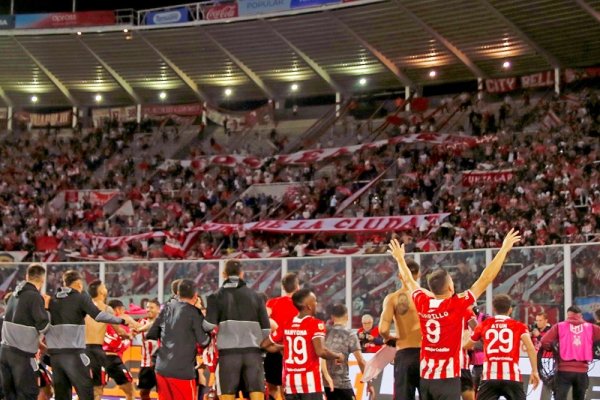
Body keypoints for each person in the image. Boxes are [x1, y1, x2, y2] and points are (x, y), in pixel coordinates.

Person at [388, 229, 520, 400]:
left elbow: (408, 280)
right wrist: (503, 250)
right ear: (450, 288)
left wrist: (399, 258)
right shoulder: (457, 304)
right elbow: (485, 278)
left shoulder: (423, 302)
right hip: (447, 378)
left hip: (426, 377)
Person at [46, 270, 127, 400]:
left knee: (61, 395)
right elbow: (98, 315)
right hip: (75, 353)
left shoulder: (52, 299)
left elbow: (43, 325)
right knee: (87, 393)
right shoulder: (80, 297)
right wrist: (121, 320)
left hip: (55, 356)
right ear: (78, 284)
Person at [261, 288, 344, 400]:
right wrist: (338, 355)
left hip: (290, 385)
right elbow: (321, 351)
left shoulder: (286, 324)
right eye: (314, 301)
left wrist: (286, 348)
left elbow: (264, 345)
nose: (316, 303)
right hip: (310, 386)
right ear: (309, 306)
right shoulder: (315, 324)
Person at [206, 260, 271, 400]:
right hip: (253, 355)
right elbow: (266, 330)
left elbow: (208, 326)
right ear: (242, 274)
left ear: (224, 274)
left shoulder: (215, 297)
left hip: (228, 356)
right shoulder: (257, 297)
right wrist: (262, 351)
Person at [465, 294, 540, 400]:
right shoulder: (519, 326)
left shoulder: (484, 325)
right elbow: (531, 348)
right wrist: (534, 371)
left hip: (490, 377)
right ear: (510, 309)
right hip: (512, 377)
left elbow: (468, 344)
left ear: (494, 309)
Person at [147, 279, 211, 400]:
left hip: (162, 369)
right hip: (182, 372)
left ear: (178, 293)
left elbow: (151, 334)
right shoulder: (194, 312)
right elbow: (204, 341)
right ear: (195, 295)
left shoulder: (167, 308)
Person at [0, 264, 50, 400]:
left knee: (10, 395)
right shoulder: (34, 297)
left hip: (4, 353)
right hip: (22, 357)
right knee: (27, 394)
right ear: (42, 279)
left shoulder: (13, 296)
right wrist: (46, 309)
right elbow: (43, 326)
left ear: (27, 276)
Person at [379, 258, 422, 400]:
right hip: (427, 354)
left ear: (399, 275)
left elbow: (383, 329)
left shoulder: (392, 298)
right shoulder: (428, 296)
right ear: (419, 274)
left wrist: (389, 338)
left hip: (404, 353)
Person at [85, 280, 135, 400]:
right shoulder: (106, 309)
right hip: (97, 351)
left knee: (87, 390)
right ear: (101, 291)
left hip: (82, 351)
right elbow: (120, 332)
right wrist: (130, 334)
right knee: (97, 391)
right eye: (104, 287)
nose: (106, 289)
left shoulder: (84, 307)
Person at [540, 305, 600, 400]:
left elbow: (544, 341)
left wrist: (551, 348)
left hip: (564, 370)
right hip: (582, 371)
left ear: (568, 314)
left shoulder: (559, 326)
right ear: (580, 315)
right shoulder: (591, 327)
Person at [322, 304, 373, 400]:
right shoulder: (350, 334)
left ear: (332, 317)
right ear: (347, 316)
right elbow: (361, 361)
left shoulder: (324, 332)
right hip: (342, 384)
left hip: (326, 385)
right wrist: (369, 382)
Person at [264, 273, 300, 400]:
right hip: (292, 352)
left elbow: (263, 319)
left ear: (283, 288)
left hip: (273, 348)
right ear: (298, 287)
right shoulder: (300, 307)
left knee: (272, 387)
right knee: (288, 388)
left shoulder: (272, 302)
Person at [102, 300, 135, 400]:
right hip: (111, 358)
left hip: (98, 357)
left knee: (95, 391)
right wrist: (130, 334)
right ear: (118, 309)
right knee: (130, 390)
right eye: (123, 310)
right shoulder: (117, 322)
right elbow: (117, 341)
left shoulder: (103, 321)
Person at [136, 299, 161, 400]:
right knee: (143, 392)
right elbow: (133, 330)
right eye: (147, 307)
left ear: (158, 309)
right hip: (146, 364)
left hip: (160, 364)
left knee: (162, 391)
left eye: (151, 307)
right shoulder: (142, 321)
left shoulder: (162, 323)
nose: (148, 309)